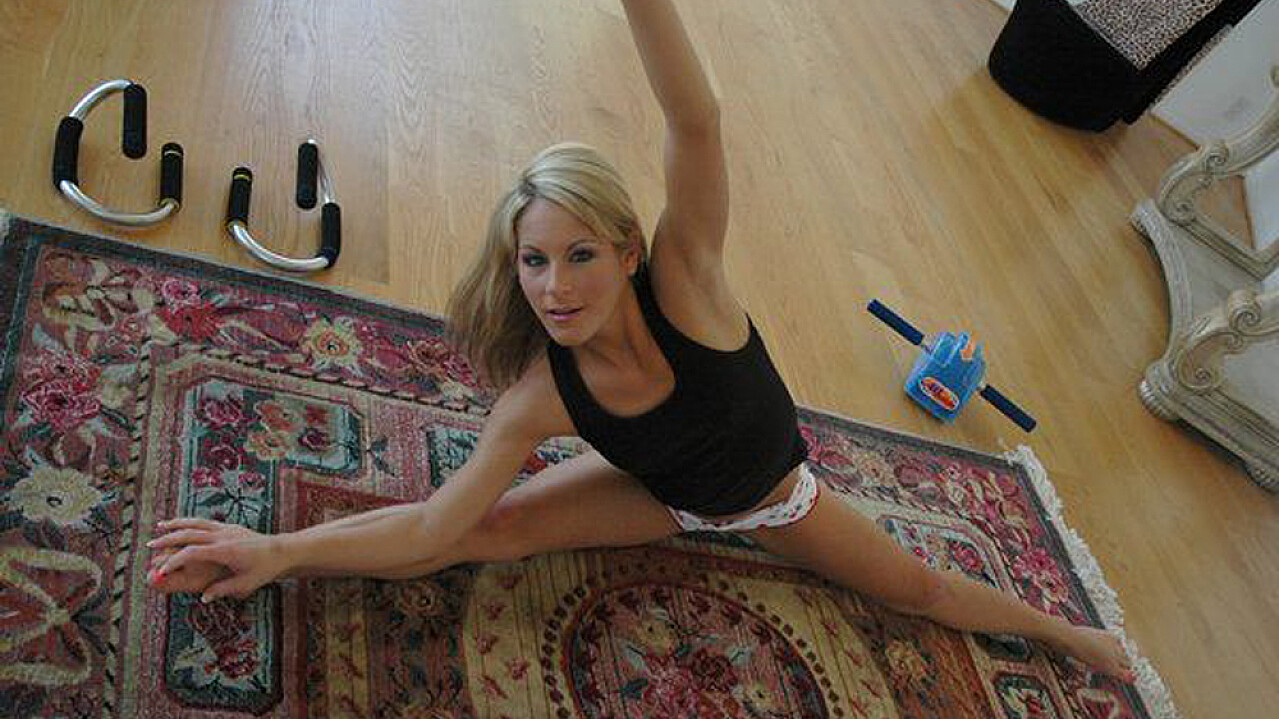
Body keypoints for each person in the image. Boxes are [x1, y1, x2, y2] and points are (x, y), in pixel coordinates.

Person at [148, 0, 1136, 683]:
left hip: (773, 496)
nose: (554, 287)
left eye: (579, 255)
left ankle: (1062, 632)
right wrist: (275, 550)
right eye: (534, 261)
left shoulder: (688, 286)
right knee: (486, 532)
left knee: (917, 589)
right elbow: (432, 528)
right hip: (657, 494)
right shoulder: (540, 395)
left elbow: (695, 119)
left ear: (628, 251)